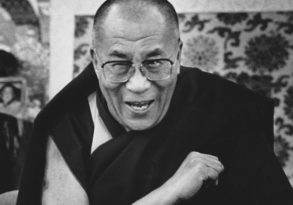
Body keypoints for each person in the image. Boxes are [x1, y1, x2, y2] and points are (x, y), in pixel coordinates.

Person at [17, 0, 293, 204]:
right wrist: (168, 193)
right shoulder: (71, 124)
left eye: (155, 62)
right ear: (95, 62)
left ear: (179, 55)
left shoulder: (225, 109)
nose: (138, 84)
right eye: (118, 64)